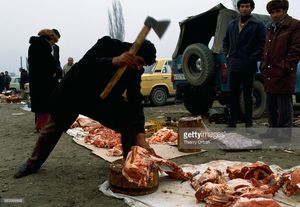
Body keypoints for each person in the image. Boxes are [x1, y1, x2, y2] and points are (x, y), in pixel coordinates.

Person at [14, 36, 157, 179]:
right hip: (74, 92)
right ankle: (32, 163)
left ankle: (130, 165)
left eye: (143, 65)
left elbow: (135, 100)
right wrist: (115, 61)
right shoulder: (107, 44)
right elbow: (85, 65)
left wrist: (140, 133)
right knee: (52, 128)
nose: (139, 67)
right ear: (134, 51)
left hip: (101, 99)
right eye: (139, 62)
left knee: (129, 122)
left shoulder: (135, 71)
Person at [260, 0, 300, 141]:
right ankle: (273, 131)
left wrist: (286, 66)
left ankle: (284, 135)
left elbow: (296, 49)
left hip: (284, 72)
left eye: (278, 11)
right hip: (269, 71)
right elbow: (266, 48)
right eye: (272, 12)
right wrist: (263, 65)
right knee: (271, 104)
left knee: (284, 105)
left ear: (284, 11)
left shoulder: (294, 25)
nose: (275, 15)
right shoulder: (270, 27)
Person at [223, 0, 266, 128]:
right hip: (234, 66)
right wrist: (227, 56)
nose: (244, 9)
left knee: (248, 96)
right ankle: (232, 123)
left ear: (251, 8)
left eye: (247, 6)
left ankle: (249, 124)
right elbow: (225, 42)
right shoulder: (232, 24)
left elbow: (262, 45)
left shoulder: (258, 25)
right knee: (233, 95)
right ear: (239, 8)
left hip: (249, 66)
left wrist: (252, 58)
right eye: (242, 6)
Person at [28, 29, 62, 132]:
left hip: (39, 80)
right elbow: (48, 64)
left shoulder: (35, 45)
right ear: (49, 38)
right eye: (53, 41)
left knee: (40, 105)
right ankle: (43, 127)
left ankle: (40, 126)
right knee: (44, 105)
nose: (53, 44)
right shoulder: (42, 47)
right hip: (44, 81)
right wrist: (55, 72)